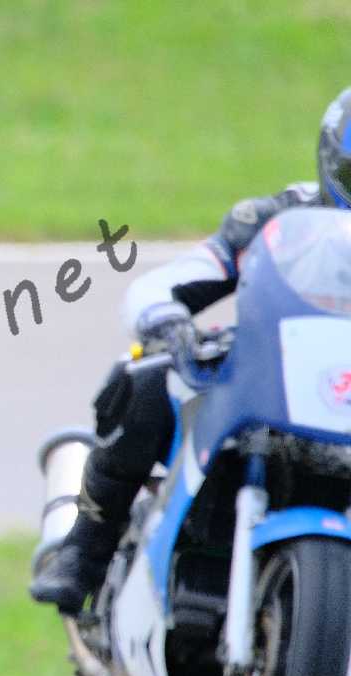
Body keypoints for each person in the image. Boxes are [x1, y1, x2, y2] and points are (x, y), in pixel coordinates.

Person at [30, 86, 351, 613]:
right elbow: (174, 280)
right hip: (271, 381)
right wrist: (166, 320)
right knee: (146, 376)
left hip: (340, 402)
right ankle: (85, 548)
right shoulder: (278, 220)